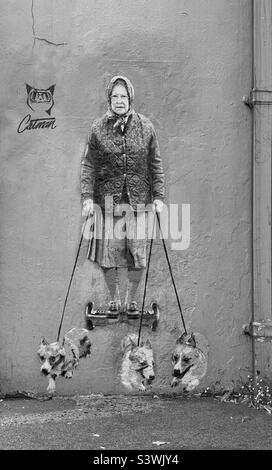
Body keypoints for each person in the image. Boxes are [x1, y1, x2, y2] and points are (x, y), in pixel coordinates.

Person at [81, 75, 165, 318]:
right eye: (115, 96)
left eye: (123, 96)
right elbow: (89, 165)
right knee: (109, 253)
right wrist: (87, 197)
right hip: (108, 200)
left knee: (136, 253)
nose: (119, 101)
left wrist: (158, 196)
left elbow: (155, 164)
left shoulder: (145, 126)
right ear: (109, 98)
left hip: (138, 200)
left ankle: (131, 302)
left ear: (130, 98)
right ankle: (114, 301)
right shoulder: (98, 128)